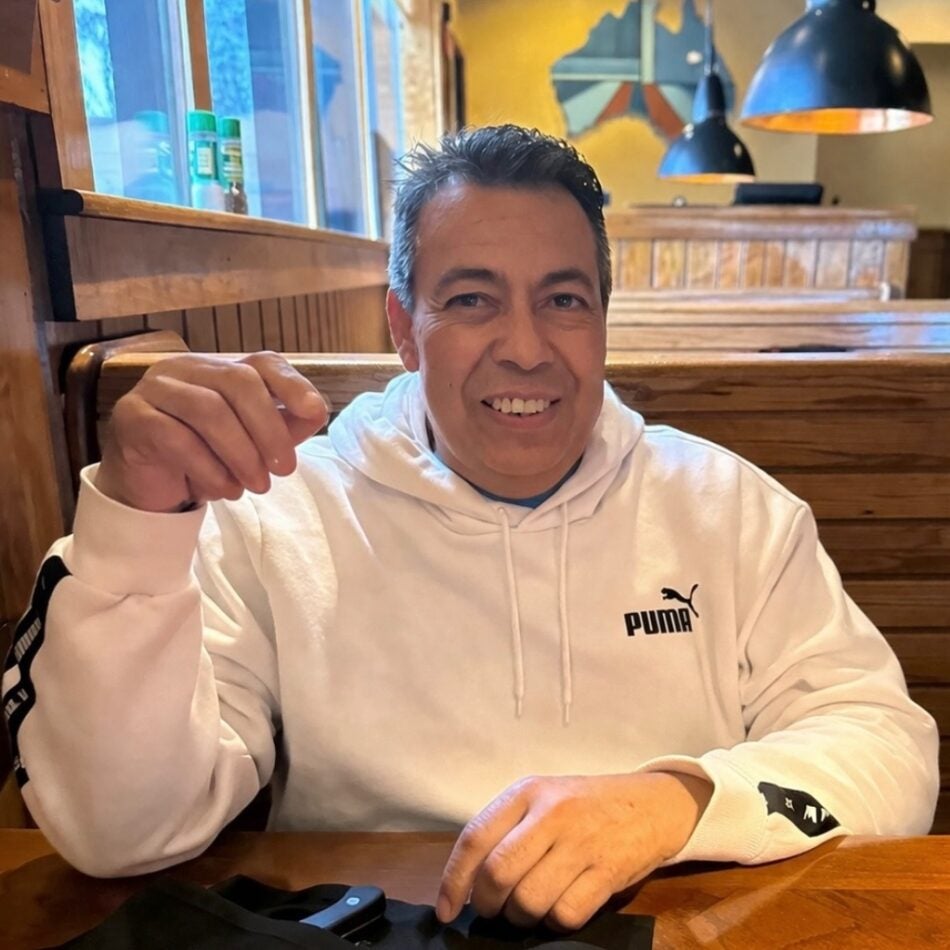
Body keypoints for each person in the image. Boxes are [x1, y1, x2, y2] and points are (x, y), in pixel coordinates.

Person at [2, 125, 938, 932]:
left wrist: (679, 801)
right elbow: (116, 832)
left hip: (678, 921)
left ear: (604, 320)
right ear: (405, 329)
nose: (526, 347)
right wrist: (135, 523)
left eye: (564, 299)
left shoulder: (731, 509)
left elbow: (886, 745)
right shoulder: (276, 511)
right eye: (474, 299)